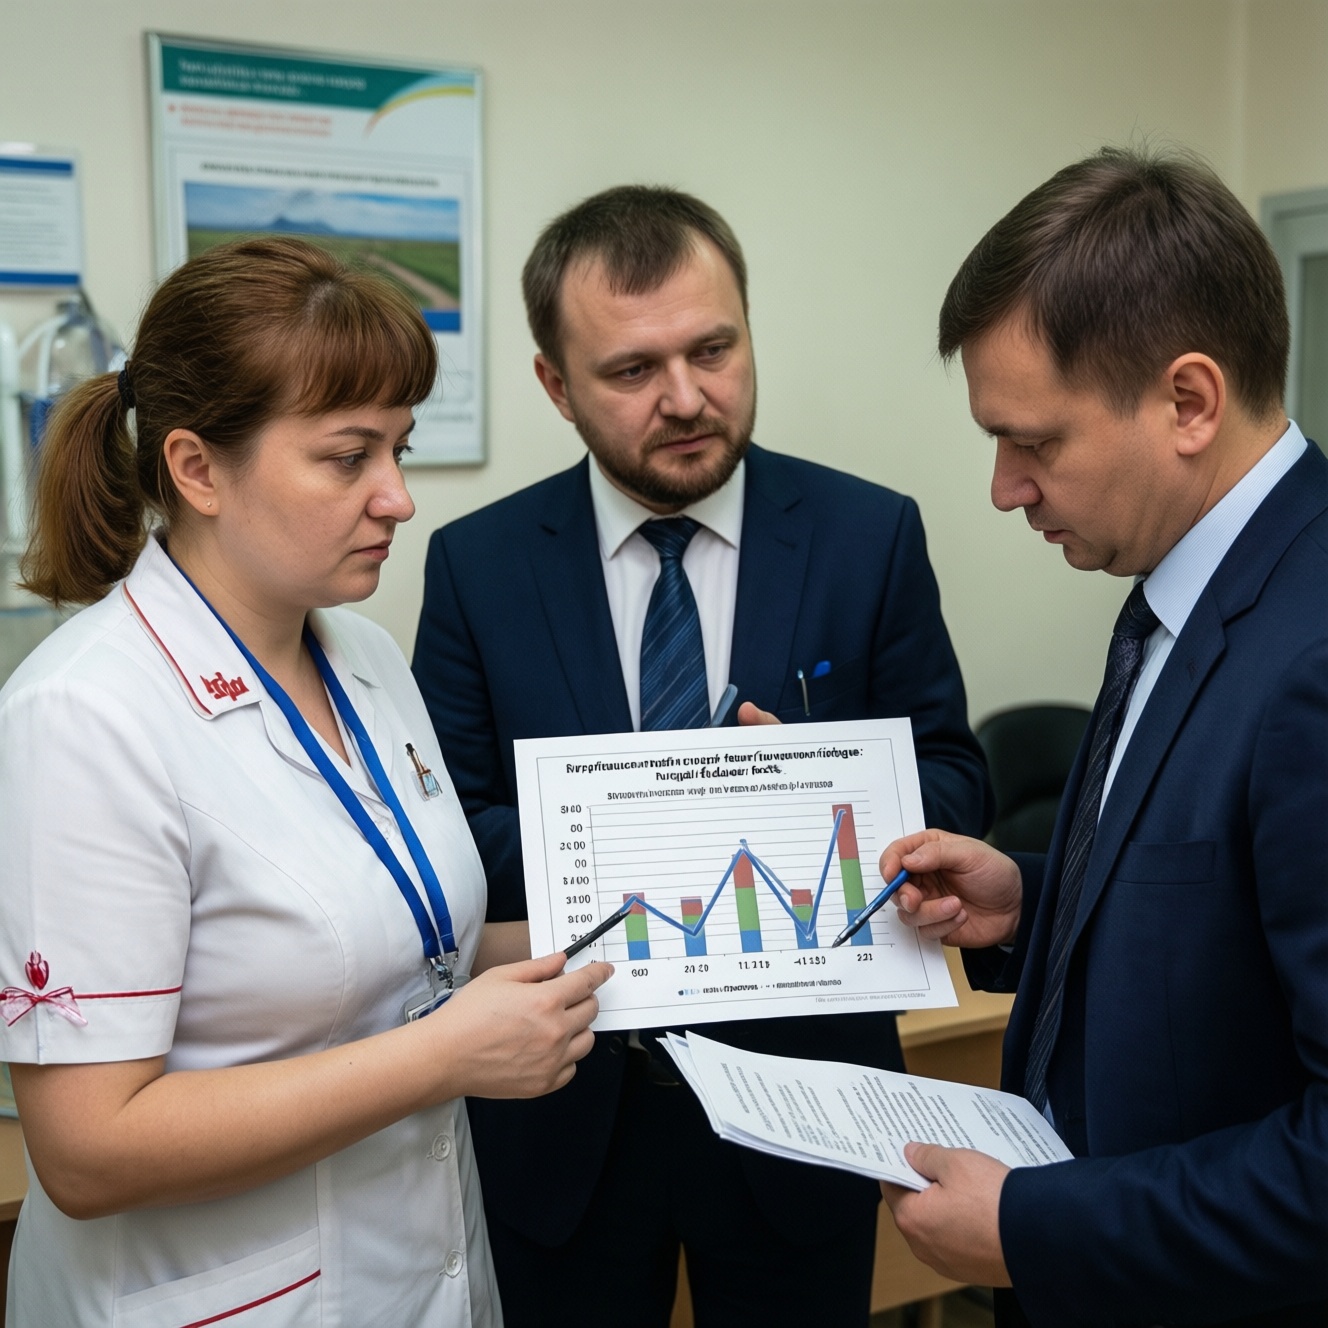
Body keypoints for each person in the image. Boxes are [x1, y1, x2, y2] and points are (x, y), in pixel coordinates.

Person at [0, 235, 610, 1328]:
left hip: (420, 1274)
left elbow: (402, 942)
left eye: (399, 449)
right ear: (197, 470)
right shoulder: (84, 715)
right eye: (347, 457)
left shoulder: (365, 657)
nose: (398, 498)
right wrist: (443, 1055)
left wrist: (654, 930)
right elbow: (87, 1149)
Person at [411, 185, 992, 1327]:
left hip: (804, 1110)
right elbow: (448, 837)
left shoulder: (867, 535)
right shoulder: (478, 565)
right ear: (555, 385)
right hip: (565, 1109)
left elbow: (956, 781)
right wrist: (660, 825)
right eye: (632, 369)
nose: (685, 397)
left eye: (712, 349)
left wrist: (820, 791)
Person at [876, 147, 1328, 1327]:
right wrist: (1032, 903)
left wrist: (1032, 1224)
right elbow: (1227, 935)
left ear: (1186, 402)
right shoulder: (1179, 587)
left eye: (1033, 441)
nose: (1002, 488)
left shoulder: (1311, 656)